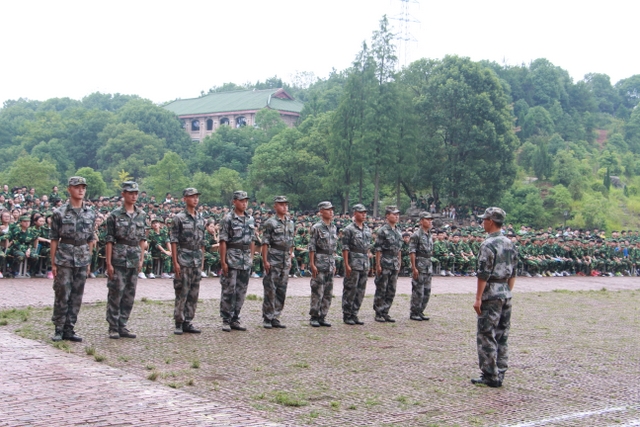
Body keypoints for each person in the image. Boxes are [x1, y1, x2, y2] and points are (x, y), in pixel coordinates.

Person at [472, 207, 517, 388]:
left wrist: (478, 298)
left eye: (484, 220)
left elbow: (483, 274)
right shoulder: (510, 243)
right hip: (505, 292)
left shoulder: (488, 244)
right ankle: (500, 371)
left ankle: (490, 374)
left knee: (486, 334)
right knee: (502, 334)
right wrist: (506, 290)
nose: (482, 223)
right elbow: (513, 272)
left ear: (490, 221)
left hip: (491, 294)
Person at [49, 176, 97, 342]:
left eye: (83, 187)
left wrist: (89, 260)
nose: (81, 190)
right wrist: (53, 262)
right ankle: (59, 328)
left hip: (82, 257)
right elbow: (54, 239)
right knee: (62, 292)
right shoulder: (59, 212)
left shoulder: (90, 213)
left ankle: (69, 328)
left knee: (77, 294)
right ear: (69, 189)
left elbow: (91, 239)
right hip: (64, 257)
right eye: (77, 187)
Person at [105, 181, 146, 339]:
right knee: (116, 292)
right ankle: (113, 326)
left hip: (134, 257)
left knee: (129, 293)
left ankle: (123, 324)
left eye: (136, 193)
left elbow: (142, 239)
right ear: (123, 194)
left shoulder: (141, 214)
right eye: (130, 193)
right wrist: (109, 263)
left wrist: (141, 259)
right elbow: (109, 240)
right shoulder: (114, 215)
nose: (134, 196)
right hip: (119, 258)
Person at [170, 188, 206, 335]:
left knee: (193, 292)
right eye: (192, 197)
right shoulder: (179, 218)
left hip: (197, 258)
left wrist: (202, 261)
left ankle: (188, 321)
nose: (195, 199)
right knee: (182, 291)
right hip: (184, 258)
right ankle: (179, 321)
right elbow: (173, 241)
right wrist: (175, 262)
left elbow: (202, 242)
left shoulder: (201, 218)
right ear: (185, 199)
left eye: (197, 197)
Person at [218, 190, 255, 332]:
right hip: (232, 258)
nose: (244, 203)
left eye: (246, 201)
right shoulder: (228, 219)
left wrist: (251, 257)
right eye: (241, 200)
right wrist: (223, 261)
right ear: (234, 202)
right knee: (229, 289)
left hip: (245, 259)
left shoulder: (250, 219)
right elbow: (223, 241)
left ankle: (235, 318)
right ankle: (226, 319)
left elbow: (252, 240)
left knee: (241, 291)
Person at [260, 196, 295, 329]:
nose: (284, 207)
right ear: (275, 206)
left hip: (285, 259)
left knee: (282, 289)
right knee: (270, 289)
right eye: (281, 204)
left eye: (286, 204)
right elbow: (265, 243)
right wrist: (265, 260)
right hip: (273, 258)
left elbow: (291, 242)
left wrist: (290, 257)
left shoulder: (290, 223)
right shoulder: (270, 223)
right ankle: (267, 317)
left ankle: (275, 316)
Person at [341, 204, 371, 325]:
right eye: (361, 212)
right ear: (355, 214)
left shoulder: (367, 229)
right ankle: (347, 314)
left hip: (364, 263)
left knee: (361, 290)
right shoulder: (349, 229)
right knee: (350, 289)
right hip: (353, 262)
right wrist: (346, 264)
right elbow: (345, 248)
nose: (363, 215)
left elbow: (368, 247)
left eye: (365, 213)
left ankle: (354, 313)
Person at [308, 201, 337, 327]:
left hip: (330, 261)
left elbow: (333, 248)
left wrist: (333, 263)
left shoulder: (333, 227)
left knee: (328, 292)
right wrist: (312, 264)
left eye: (332, 209)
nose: (331, 212)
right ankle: (314, 316)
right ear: (321, 212)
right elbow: (312, 247)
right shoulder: (316, 227)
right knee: (317, 290)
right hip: (319, 261)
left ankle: (323, 316)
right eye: (328, 209)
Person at [373, 206, 403, 322]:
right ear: (387, 216)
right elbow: (378, 249)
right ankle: (378, 312)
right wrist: (378, 265)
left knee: (392, 289)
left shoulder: (398, 231)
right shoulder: (382, 230)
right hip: (385, 261)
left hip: (394, 263)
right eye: (394, 214)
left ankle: (385, 311)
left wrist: (399, 262)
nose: (396, 216)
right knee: (382, 288)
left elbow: (399, 249)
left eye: (397, 214)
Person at [409, 212, 434, 321]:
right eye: (427, 219)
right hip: (419, 266)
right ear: (421, 221)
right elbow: (412, 252)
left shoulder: (429, 234)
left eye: (430, 220)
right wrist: (414, 267)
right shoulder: (416, 235)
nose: (430, 221)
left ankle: (420, 311)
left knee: (427, 291)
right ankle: (414, 312)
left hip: (428, 266)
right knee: (418, 290)